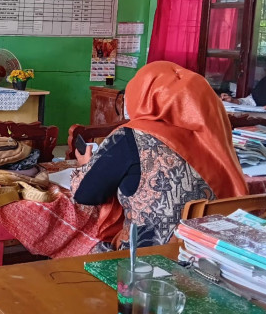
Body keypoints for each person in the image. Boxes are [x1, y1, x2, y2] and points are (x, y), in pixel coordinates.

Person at [71, 61, 248, 250]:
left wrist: (86, 165)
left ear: (143, 95)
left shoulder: (131, 136)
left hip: (146, 259)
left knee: (77, 240)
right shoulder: (215, 138)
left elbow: (86, 194)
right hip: (209, 255)